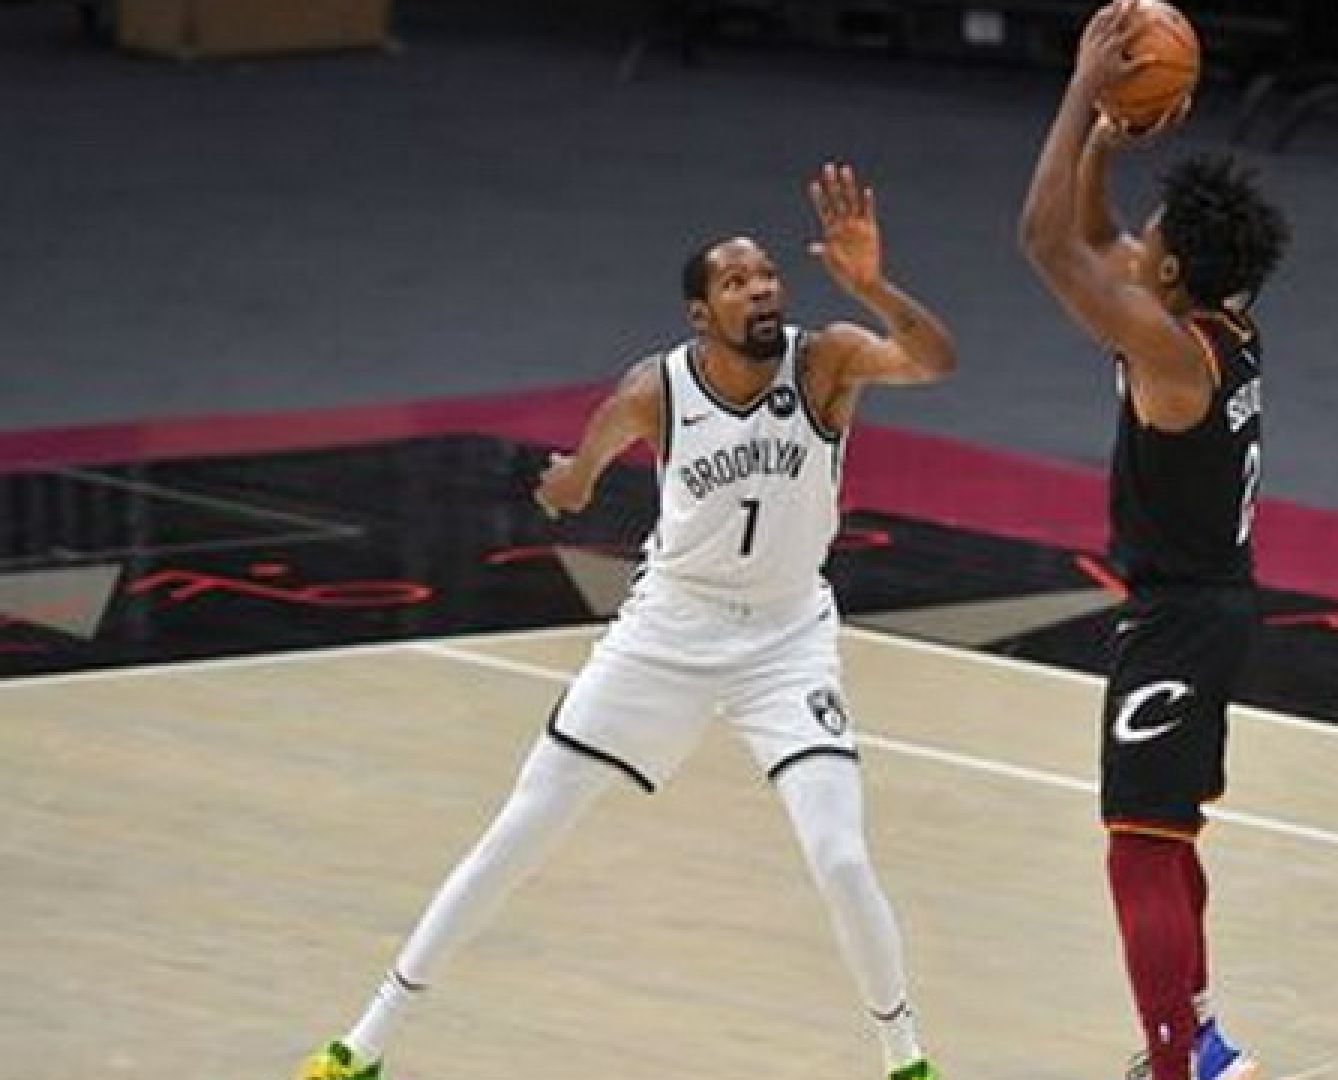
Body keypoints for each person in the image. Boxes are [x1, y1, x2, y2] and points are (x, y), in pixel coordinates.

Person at [295, 162, 958, 1080]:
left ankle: (906, 1060)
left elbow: (934, 361)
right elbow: (581, 470)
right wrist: (566, 484)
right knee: (521, 830)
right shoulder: (656, 390)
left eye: (768, 273)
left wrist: (874, 287)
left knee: (841, 858)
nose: (761, 288)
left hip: (786, 637)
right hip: (668, 632)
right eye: (737, 280)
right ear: (700, 313)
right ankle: (363, 1044)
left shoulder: (827, 360)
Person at [1017, 5, 1289, 1080]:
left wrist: (1082, 88)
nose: (1141, 241)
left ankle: (1173, 1067)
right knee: (1167, 837)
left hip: (1181, 617)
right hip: (1205, 606)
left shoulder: (1172, 355)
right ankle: (1202, 1040)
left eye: (1156, 238)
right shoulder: (1217, 324)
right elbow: (1096, 240)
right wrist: (1102, 145)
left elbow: (1049, 244)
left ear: (1169, 278)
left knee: (1138, 847)